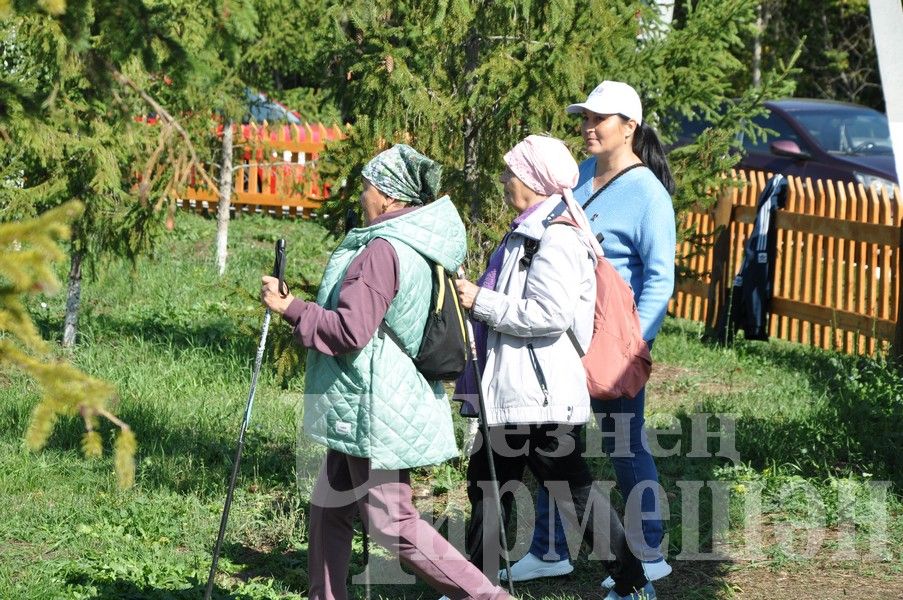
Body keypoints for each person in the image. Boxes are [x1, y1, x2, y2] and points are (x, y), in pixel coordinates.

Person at [261, 144, 512, 600]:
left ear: (389, 196)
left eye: (367, 185)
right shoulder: (416, 245)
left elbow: (349, 331)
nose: (361, 194)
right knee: (330, 508)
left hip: (373, 401)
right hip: (375, 393)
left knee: (390, 521)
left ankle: (489, 598)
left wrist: (290, 308)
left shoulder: (383, 249)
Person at [453, 135, 656, 600]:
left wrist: (479, 301)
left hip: (539, 395)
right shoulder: (528, 229)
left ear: (532, 180)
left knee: (571, 492)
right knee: (487, 486)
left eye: (510, 172)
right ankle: (475, 587)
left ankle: (632, 583)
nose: (504, 180)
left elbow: (549, 315)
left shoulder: (558, 236)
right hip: (515, 388)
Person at [505, 81, 677, 591]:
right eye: (584, 117)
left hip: (615, 347)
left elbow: (660, 278)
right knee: (558, 443)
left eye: (598, 118)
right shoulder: (577, 177)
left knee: (625, 447)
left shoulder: (648, 193)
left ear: (629, 126)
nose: (587, 126)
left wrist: (633, 348)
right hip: (567, 339)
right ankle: (550, 549)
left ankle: (649, 551)